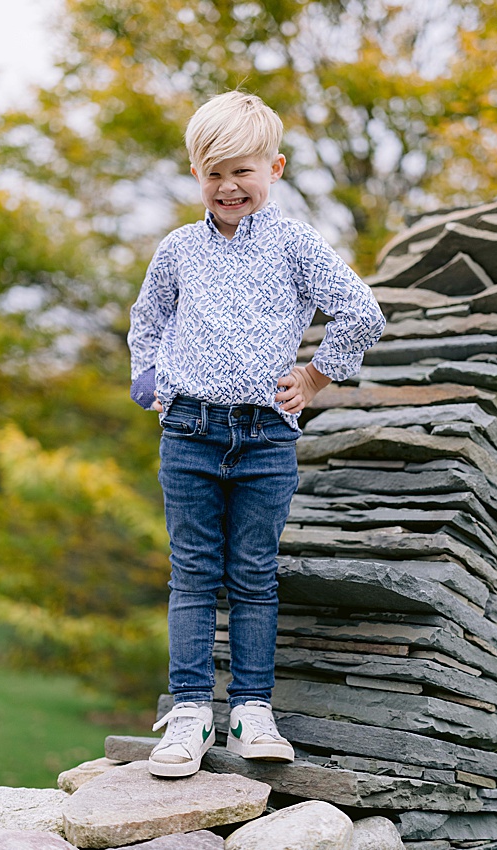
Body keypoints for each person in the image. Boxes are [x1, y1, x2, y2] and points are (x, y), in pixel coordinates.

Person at [128, 91, 387, 777]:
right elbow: (147, 319)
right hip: (189, 432)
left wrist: (317, 377)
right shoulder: (179, 250)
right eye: (213, 173)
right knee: (192, 574)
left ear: (273, 168)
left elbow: (362, 312)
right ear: (195, 177)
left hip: (267, 438)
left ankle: (251, 709)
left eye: (242, 171)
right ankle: (188, 712)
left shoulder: (297, 244)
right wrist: (148, 378)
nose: (228, 186)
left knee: (252, 575)